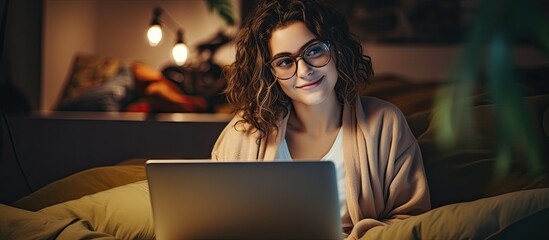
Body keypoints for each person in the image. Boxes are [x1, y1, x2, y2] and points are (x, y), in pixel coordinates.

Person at [211, 0, 431, 239]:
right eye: (285, 61)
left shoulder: (385, 122)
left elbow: (411, 219)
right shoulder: (242, 131)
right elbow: (217, 219)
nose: (304, 70)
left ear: (335, 49)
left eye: (314, 50)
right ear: (270, 73)